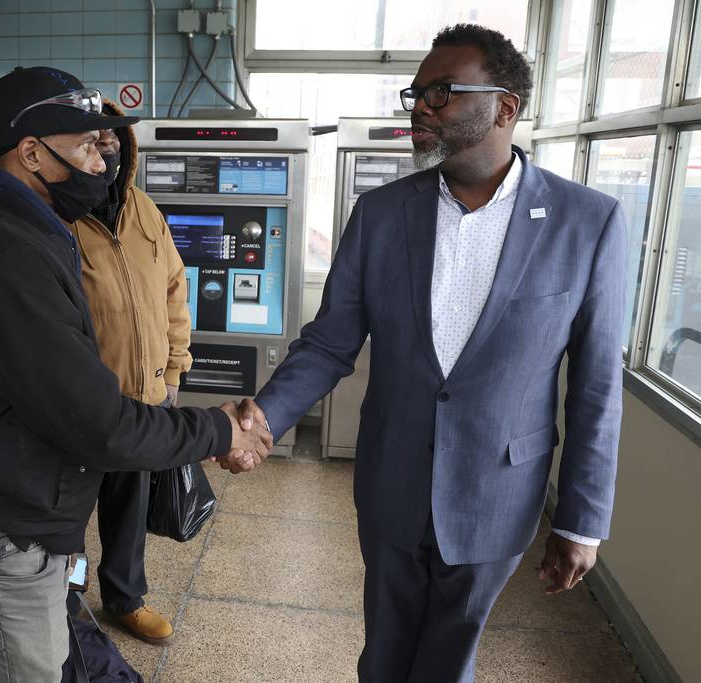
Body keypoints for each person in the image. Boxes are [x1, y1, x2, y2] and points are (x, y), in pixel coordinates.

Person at [236, 24, 625, 682]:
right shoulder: (382, 213)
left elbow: (595, 386)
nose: (421, 105)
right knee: (384, 650)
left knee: (449, 657)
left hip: (498, 488)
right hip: (391, 477)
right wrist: (265, 417)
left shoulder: (586, 223)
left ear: (505, 107)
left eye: (442, 92)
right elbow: (330, 341)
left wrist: (582, 520)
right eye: (416, 92)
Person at [0, 66, 270, 683]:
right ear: (31, 154)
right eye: (84, 146)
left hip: (19, 517)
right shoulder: (10, 253)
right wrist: (219, 431)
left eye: (104, 146)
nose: (100, 161)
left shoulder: (26, 232)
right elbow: (97, 423)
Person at [66, 101, 189, 643]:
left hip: (143, 396)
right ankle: (62, 598)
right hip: (74, 401)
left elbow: (173, 291)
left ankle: (125, 597)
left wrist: (174, 372)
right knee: (65, 508)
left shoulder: (143, 209)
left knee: (128, 504)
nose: (104, 149)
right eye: (90, 141)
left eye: (111, 138)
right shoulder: (57, 216)